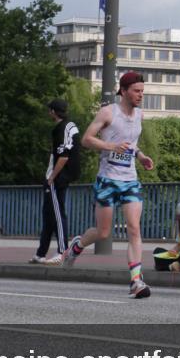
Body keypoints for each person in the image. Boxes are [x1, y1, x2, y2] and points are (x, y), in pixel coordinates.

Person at [62, 72, 155, 299]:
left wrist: (141, 156)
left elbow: (131, 144)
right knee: (103, 232)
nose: (140, 95)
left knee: (134, 228)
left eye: (142, 91)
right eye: (136, 91)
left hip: (130, 179)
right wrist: (111, 146)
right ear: (123, 91)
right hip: (107, 179)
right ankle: (77, 245)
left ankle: (136, 281)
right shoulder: (108, 112)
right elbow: (86, 139)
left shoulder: (140, 115)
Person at [31, 99, 80, 265]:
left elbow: (63, 156)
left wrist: (52, 177)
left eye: (49, 110)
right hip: (63, 175)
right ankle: (40, 253)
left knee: (58, 214)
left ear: (53, 111)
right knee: (48, 214)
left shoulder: (60, 129)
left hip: (58, 177)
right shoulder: (71, 126)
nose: (48, 113)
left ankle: (62, 251)